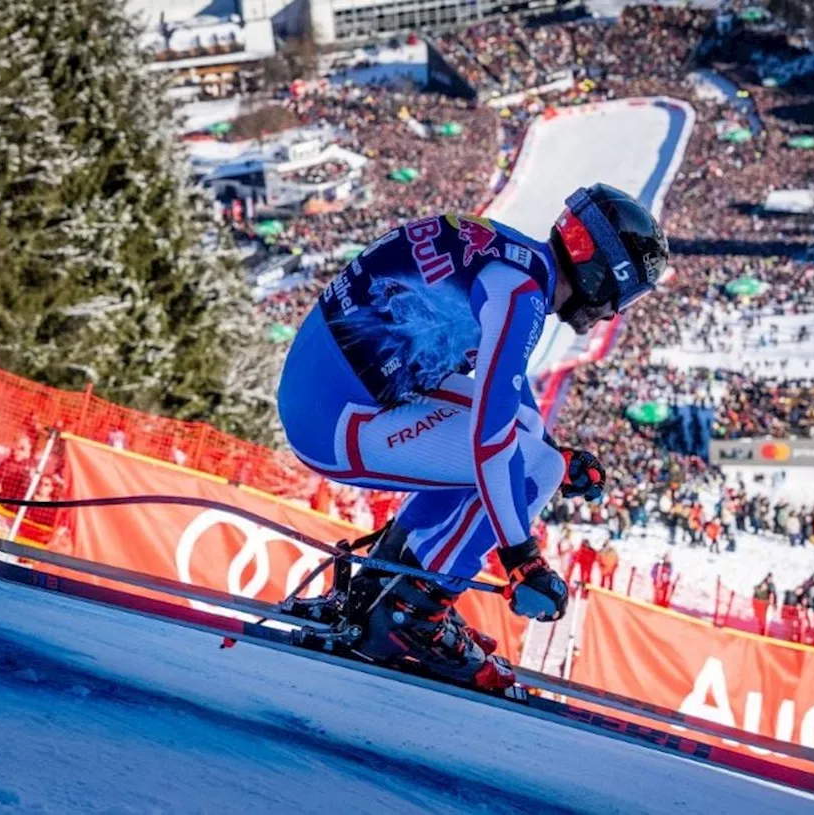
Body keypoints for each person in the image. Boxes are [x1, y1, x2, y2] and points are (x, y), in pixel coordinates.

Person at [276, 185, 668, 689]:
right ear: (597, 273)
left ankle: (386, 590)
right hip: (336, 424)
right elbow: (491, 439)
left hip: (331, 400)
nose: (613, 313)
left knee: (531, 454)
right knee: (530, 467)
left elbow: (500, 390)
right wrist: (521, 558)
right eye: (623, 296)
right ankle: (407, 615)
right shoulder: (521, 295)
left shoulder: (511, 255)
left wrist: (551, 450)